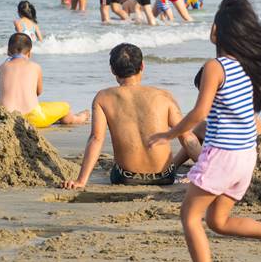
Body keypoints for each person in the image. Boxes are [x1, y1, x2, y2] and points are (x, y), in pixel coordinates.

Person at [146, 0, 261, 262]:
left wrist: (169, 134)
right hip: (245, 157)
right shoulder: (252, 69)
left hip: (222, 155)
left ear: (218, 32)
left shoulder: (215, 67)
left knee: (190, 217)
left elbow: (199, 113)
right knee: (217, 221)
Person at [65, 43, 200, 189]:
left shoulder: (103, 97)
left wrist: (81, 181)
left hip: (126, 177)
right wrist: (209, 173)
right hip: (165, 176)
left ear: (112, 70)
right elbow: (187, 138)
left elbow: (96, 138)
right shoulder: (163, 96)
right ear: (142, 66)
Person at [0, 33, 88, 128]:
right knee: (66, 107)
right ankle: (76, 119)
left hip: (1, 117)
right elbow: (38, 92)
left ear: (8, 51)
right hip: (34, 118)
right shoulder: (35, 66)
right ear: (30, 52)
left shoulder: (3, 66)